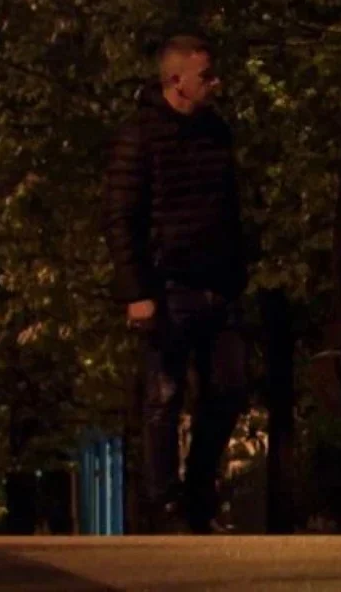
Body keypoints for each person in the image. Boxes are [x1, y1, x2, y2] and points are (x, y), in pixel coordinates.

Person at [101, 34, 248, 534]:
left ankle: (199, 491)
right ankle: (165, 504)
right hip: (168, 286)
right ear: (176, 80)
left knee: (228, 388)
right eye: (206, 75)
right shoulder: (140, 136)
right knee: (164, 396)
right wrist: (137, 292)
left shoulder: (216, 132)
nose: (215, 83)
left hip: (218, 283)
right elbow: (121, 217)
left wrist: (238, 267)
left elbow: (230, 205)